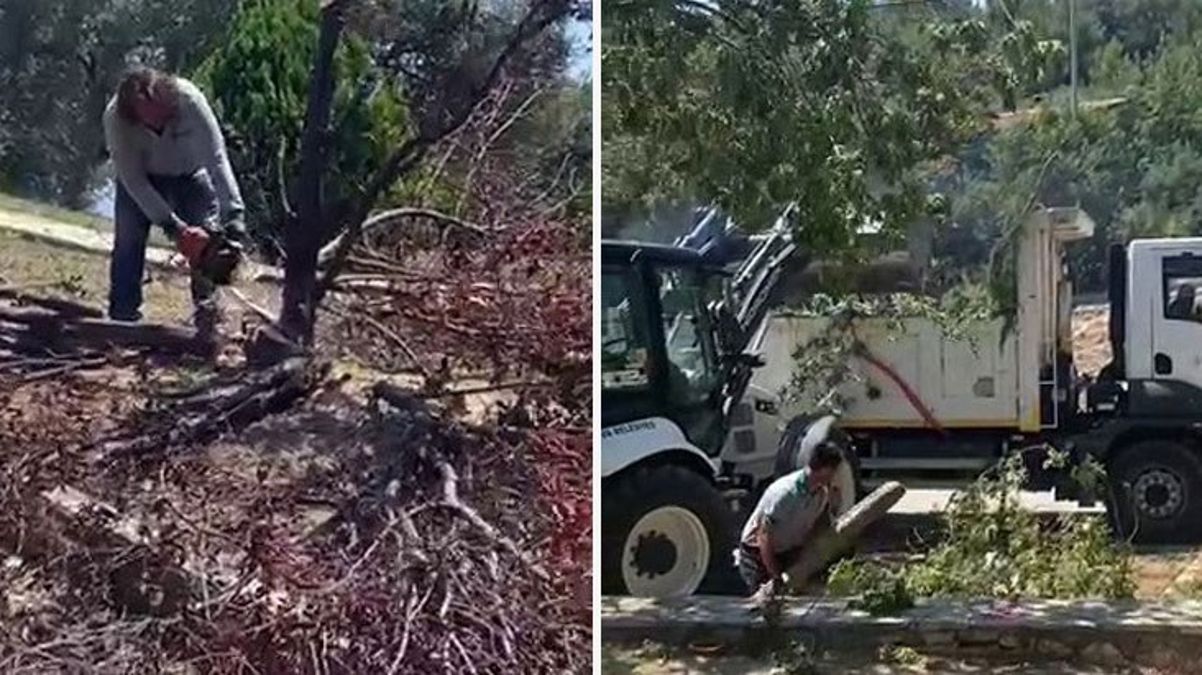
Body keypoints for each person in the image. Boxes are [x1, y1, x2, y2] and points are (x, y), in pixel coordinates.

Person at [102, 66, 247, 348]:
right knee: (129, 243)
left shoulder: (190, 101)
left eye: (159, 112)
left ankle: (208, 321)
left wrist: (234, 216)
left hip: (191, 175)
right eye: (146, 116)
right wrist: (174, 228)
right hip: (142, 180)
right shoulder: (115, 118)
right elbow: (133, 180)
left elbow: (216, 159)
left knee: (209, 245)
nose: (155, 122)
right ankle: (122, 322)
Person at [736, 441, 845, 596]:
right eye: (834, 471)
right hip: (759, 555)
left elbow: (818, 527)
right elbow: (763, 535)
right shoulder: (785, 493)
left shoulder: (821, 494)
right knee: (763, 601)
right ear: (825, 470)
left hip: (786, 551)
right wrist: (775, 575)